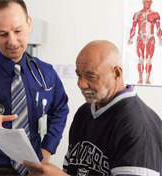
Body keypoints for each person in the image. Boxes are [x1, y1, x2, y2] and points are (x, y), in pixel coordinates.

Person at [23, 40, 162, 176]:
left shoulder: (139, 127)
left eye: (91, 76)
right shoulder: (84, 112)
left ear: (117, 73)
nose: (81, 84)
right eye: (79, 75)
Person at [0, 0, 69, 175]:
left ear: (29, 24)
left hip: (31, 171)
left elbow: (60, 109)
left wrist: (48, 147)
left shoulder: (46, 73)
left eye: (18, 31)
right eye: (3, 34)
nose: (12, 41)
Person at [128, 0, 162, 84]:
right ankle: (140, 78)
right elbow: (133, 27)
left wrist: (160, 39)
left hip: (150, 38)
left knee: (149, 59)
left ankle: (147, 78)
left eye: (149, 2)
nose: (147, 3)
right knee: (140, 59)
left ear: (151, 2)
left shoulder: (155, 14)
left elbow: (158, 28)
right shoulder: (137, 14)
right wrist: (130, 38)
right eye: (145, 2)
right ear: (142, 2)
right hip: (140, 39)